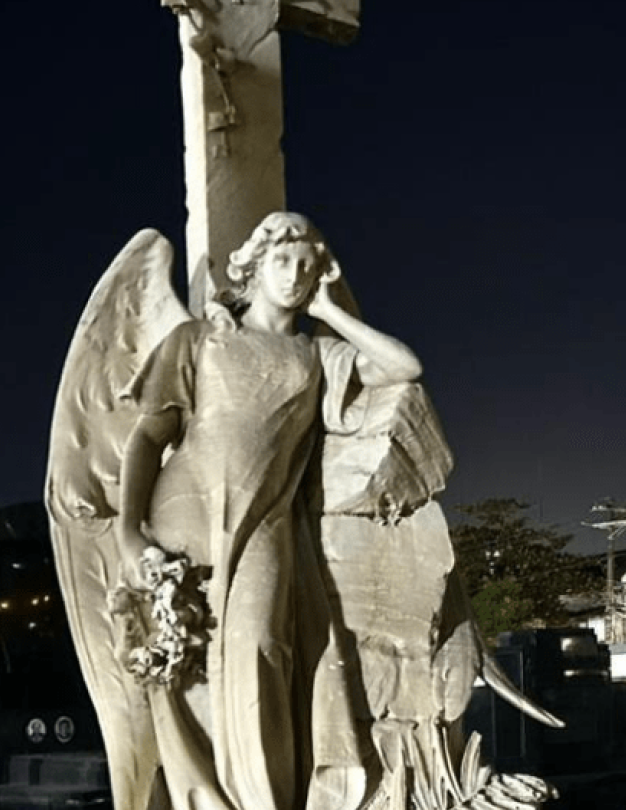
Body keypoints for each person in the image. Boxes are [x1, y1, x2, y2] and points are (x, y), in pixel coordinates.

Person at [114, 212, 421, 810]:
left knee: (261, 653)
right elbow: (148, 437)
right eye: (282, 260)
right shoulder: (200, 339)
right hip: (183, 521)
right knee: (187, 672)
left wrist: (330, 311)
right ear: (254, 267)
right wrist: (130, 531)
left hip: (264, 528)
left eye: (307, 265)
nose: (294, 274)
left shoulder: (316, 355)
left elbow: (403, 368)